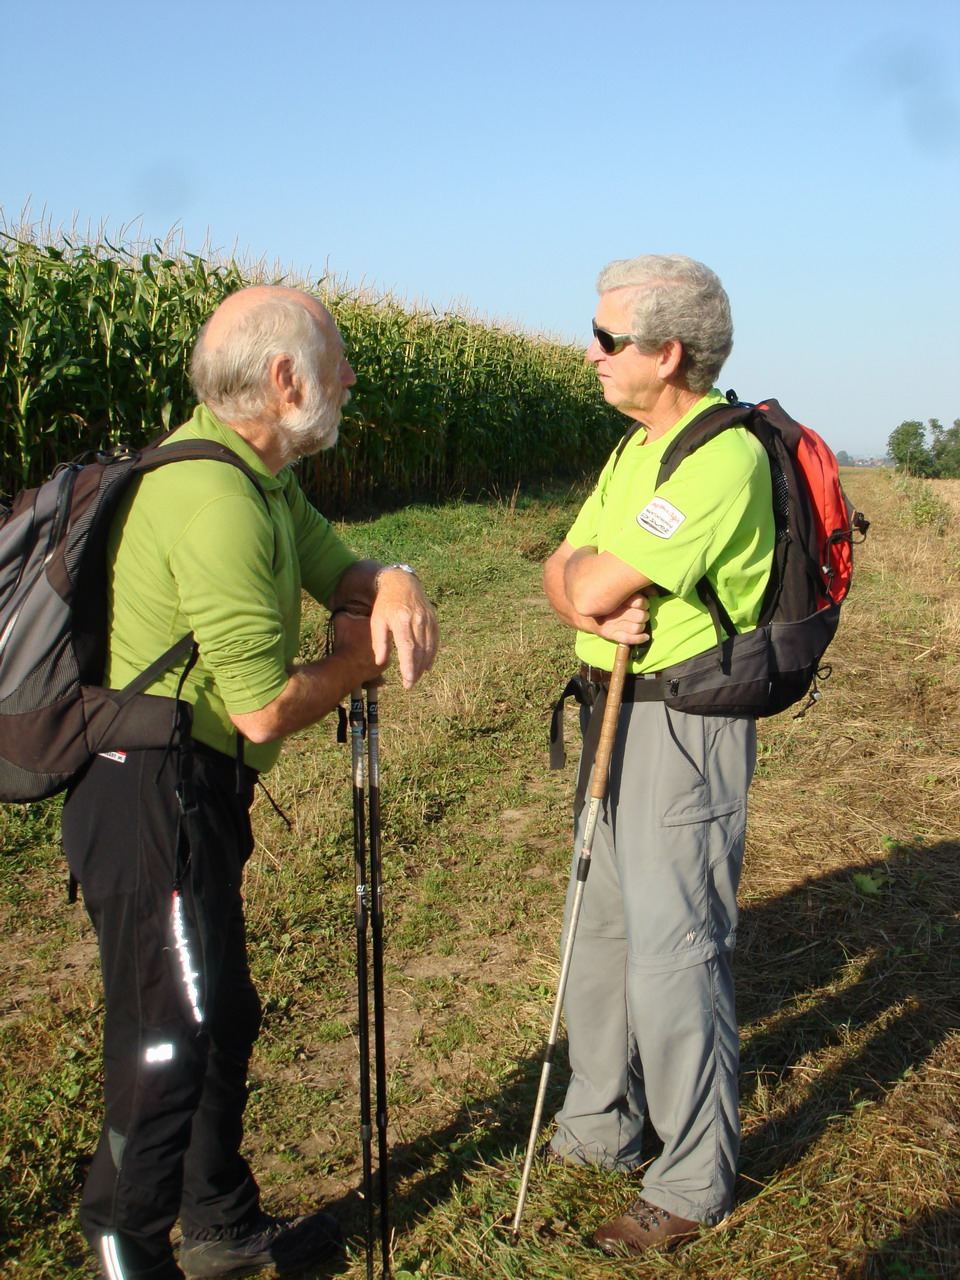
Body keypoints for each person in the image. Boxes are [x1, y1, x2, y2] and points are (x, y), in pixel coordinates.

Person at [62, 285, 439, 1280]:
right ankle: (126, 1247)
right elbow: (263, 707)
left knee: (218, 1010)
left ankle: (221, 1225)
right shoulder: (215, 500)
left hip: (192, 794)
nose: (351, 377)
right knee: (166, 1035)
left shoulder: (260, 478)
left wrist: (390, 575)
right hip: (149, 799)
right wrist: (358, 663)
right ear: (285, 379)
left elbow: (342, 569)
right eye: (338, 359)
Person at [541, 255, 774, 1255]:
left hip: (682, 722)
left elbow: (595, 586)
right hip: (611, 704)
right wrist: (575, 589)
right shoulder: (638, 446)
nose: (588, 351)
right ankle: (599, 1121)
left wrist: (584, 590)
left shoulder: (720, 459)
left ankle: (688, 1175)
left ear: (666, 351)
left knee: (676, 949)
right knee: (599, 928)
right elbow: (566, 570)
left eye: (605, 337)